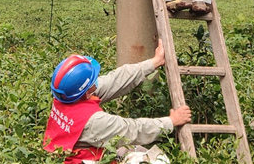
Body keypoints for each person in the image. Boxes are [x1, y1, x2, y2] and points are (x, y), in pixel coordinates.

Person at [43, 40, 191, 164]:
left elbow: (115, 80)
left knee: (133, 150)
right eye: (93, 80)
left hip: (72, 152)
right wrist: (171, 121)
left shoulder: (65, 96)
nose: (96, 81)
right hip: (83, 159)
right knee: (155, 160)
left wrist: (153, 62)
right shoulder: (94, 122)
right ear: (87, 92)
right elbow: (133, 130)